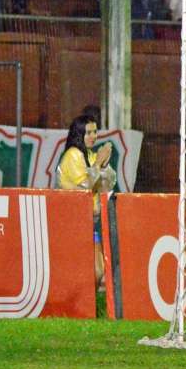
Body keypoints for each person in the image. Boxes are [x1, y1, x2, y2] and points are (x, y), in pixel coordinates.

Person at [56, 115, 116, 289]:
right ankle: (80, 310)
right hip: (73, 223)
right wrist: (98, 164)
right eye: (88, 132)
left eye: (95, 132)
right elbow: (84, 188)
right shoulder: (73, 155)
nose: (93, 136)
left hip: (88, 222)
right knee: (86, 272)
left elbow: (108, 185)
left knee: (98, 270)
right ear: (79, 133)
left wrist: (103, 165)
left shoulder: (90, 155)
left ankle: (90, 311)